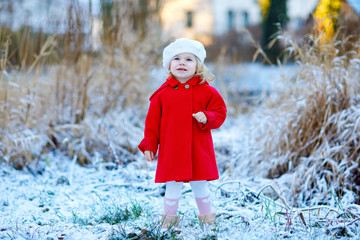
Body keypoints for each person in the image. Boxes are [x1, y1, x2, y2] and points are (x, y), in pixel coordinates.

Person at [138, 38, 227, 228]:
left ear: (198, 66)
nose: (182, 63)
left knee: (200, 185)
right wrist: (149, 145)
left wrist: (207, 117)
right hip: (172, 150)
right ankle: (168, 221)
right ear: (169, 65)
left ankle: (207, 219)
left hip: (198, 149)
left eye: (189, 59)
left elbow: (220, 111)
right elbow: (151, 125)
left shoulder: (207, 91)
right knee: (172, 186)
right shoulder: (161, 95)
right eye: (177, 58)